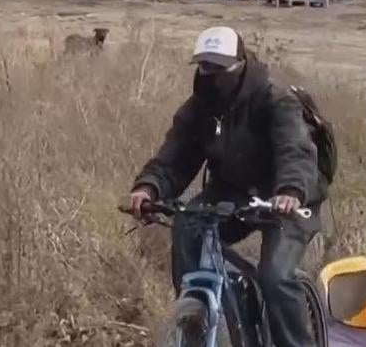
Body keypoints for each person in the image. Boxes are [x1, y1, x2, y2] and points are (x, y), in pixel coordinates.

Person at [128, 26, 325, 347]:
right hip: (232, 192)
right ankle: (195, 314)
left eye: (219, 68)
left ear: (240, 65)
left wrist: (290, 190)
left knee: (275, 276)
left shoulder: (275, 99)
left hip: (287, 197)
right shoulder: (200, 107)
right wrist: (149, 187)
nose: (211, 75)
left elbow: (295, 150)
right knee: (187, 223)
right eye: (205, 67)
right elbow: (175, 156)